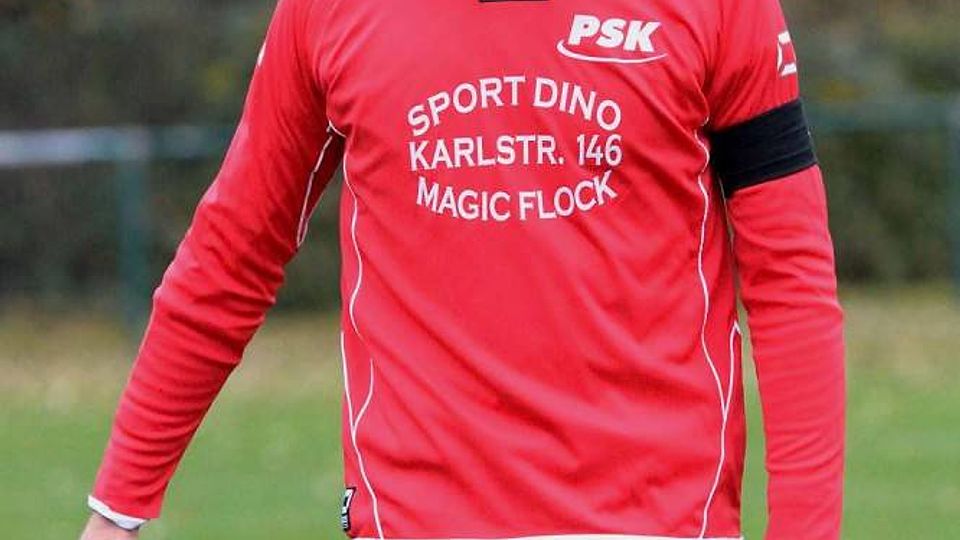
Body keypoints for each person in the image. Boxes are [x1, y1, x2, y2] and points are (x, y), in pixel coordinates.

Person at [79, 0, 845, 538]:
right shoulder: (325, 10)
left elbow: (791, 280)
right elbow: (232, 254)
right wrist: (117, 507)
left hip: (656, 521)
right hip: (413, 521)